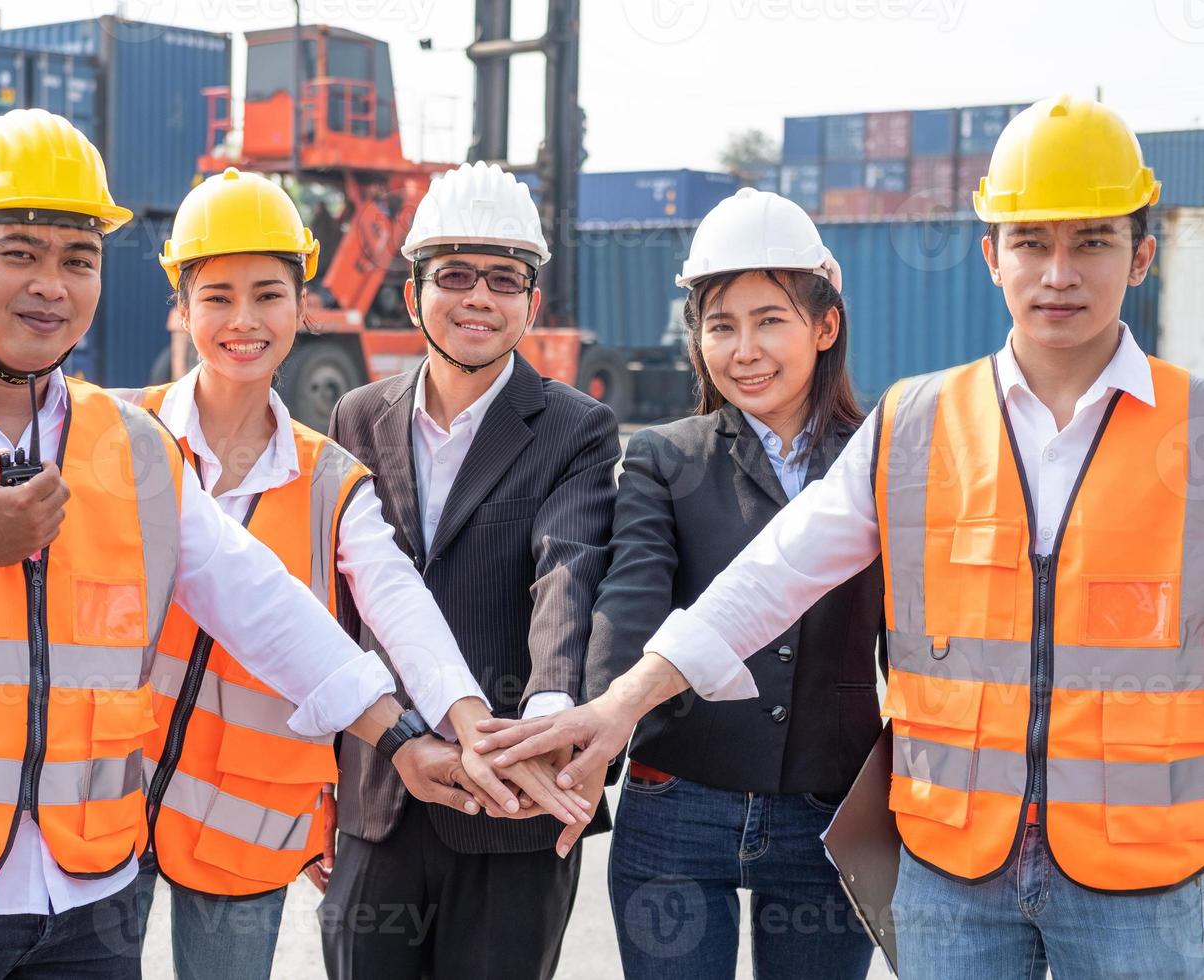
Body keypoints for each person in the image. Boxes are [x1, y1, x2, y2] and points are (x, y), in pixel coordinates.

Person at [476, 95, 1204, 979]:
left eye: (1091, 240)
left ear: (1143, 255)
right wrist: (613, 707)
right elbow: (769, 578)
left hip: (1139, 882)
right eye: (1030, 241)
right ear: (991, 255)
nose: (1058, 272)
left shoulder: (1194, 434)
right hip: (954, 870)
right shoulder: (918, 424)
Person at [0, 109, 457, 980]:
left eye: (79, 259)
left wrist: (402, 736)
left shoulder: (134, 445)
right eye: (19, 251)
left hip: (87, 906)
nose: (52, 283)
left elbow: (265, 607)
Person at [120, 167, 590, 980]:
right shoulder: (118, 440)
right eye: (218, 295)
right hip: (103, 808)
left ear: (305, 310)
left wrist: (474, 721)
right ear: (182, 305)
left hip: (245, 815)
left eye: (268, 295)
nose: (243, 320)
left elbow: (402, 592)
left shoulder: (327, 472)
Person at [321, 161, 620, 980]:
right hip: (380, 796)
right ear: (414, 293)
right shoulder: (358, 415)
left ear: (532, 300)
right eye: (454, 275)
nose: (478, 298)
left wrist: (548, 717)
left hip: (514, 801)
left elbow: (570, 570)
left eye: (504, 278)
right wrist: (321, 787)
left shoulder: (575, 430)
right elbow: (342, 604)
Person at [585, 188, 882, 979]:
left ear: (825, 326)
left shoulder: (882, 456)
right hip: (678, 798)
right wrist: (599, 725)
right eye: (721, 326)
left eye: (769, 320)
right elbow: (630, 599)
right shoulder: (663, 457)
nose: (744, 349)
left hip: (828, 808)